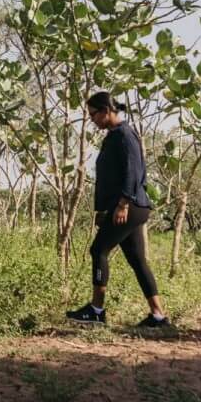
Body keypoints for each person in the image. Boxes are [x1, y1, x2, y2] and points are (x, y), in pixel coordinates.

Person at [66, 92, 169, 329]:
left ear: (105, 111)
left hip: (129, 206)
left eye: (93, 114)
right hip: (127, 206)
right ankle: (158, 316)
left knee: (98, 250)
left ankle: (96, 311)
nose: (91, 119)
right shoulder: (113, 136)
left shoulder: (124, 135)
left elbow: (134, 172)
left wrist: (123, 204)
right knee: (137, 260)